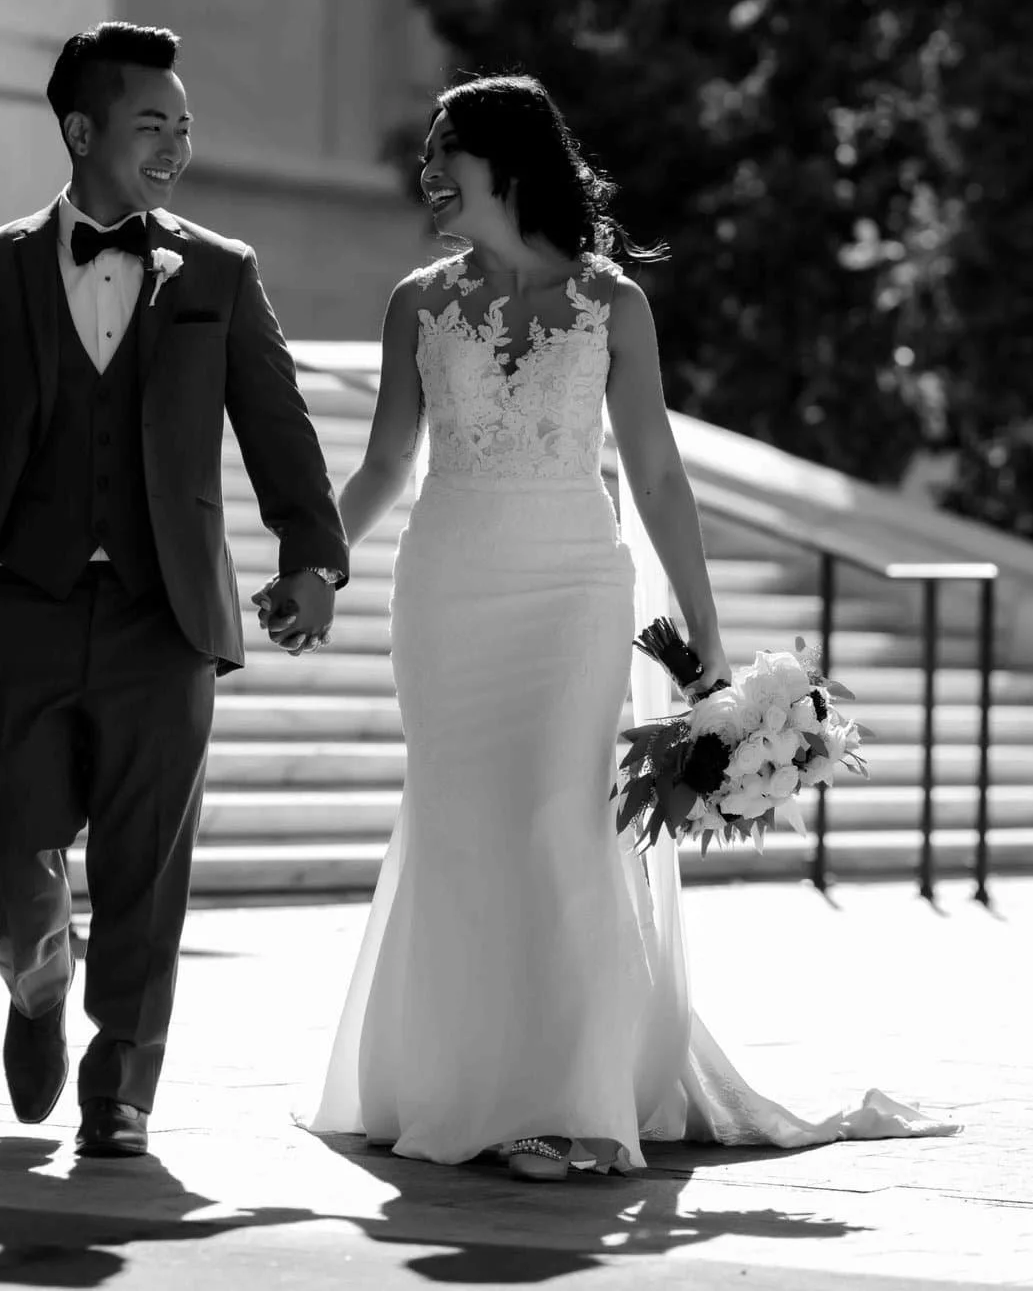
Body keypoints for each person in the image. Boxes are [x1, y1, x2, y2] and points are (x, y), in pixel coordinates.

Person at [311, 75, 954, 1179]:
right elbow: (382, 466)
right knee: (464, 826)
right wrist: (313, 566)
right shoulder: (417, 302)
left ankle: (564, 1099)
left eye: (442, 155)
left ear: (504, 164)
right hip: (447, 589)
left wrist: (706, 640)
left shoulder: (614, 305)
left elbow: (656, 473)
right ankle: (459, 1082)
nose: (426, 176)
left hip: (572, 589)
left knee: (563, 821)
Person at [0, 22, 349, 1158]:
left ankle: (121, 1088)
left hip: (169, 616)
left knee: (146, 865)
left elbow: (276, 424)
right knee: (3, 827)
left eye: (185, 125)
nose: (176, 143)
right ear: (80, 129)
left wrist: (311, 555)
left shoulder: (219, 271)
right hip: (21, 603)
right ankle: (35, 964)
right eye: (152, 122)